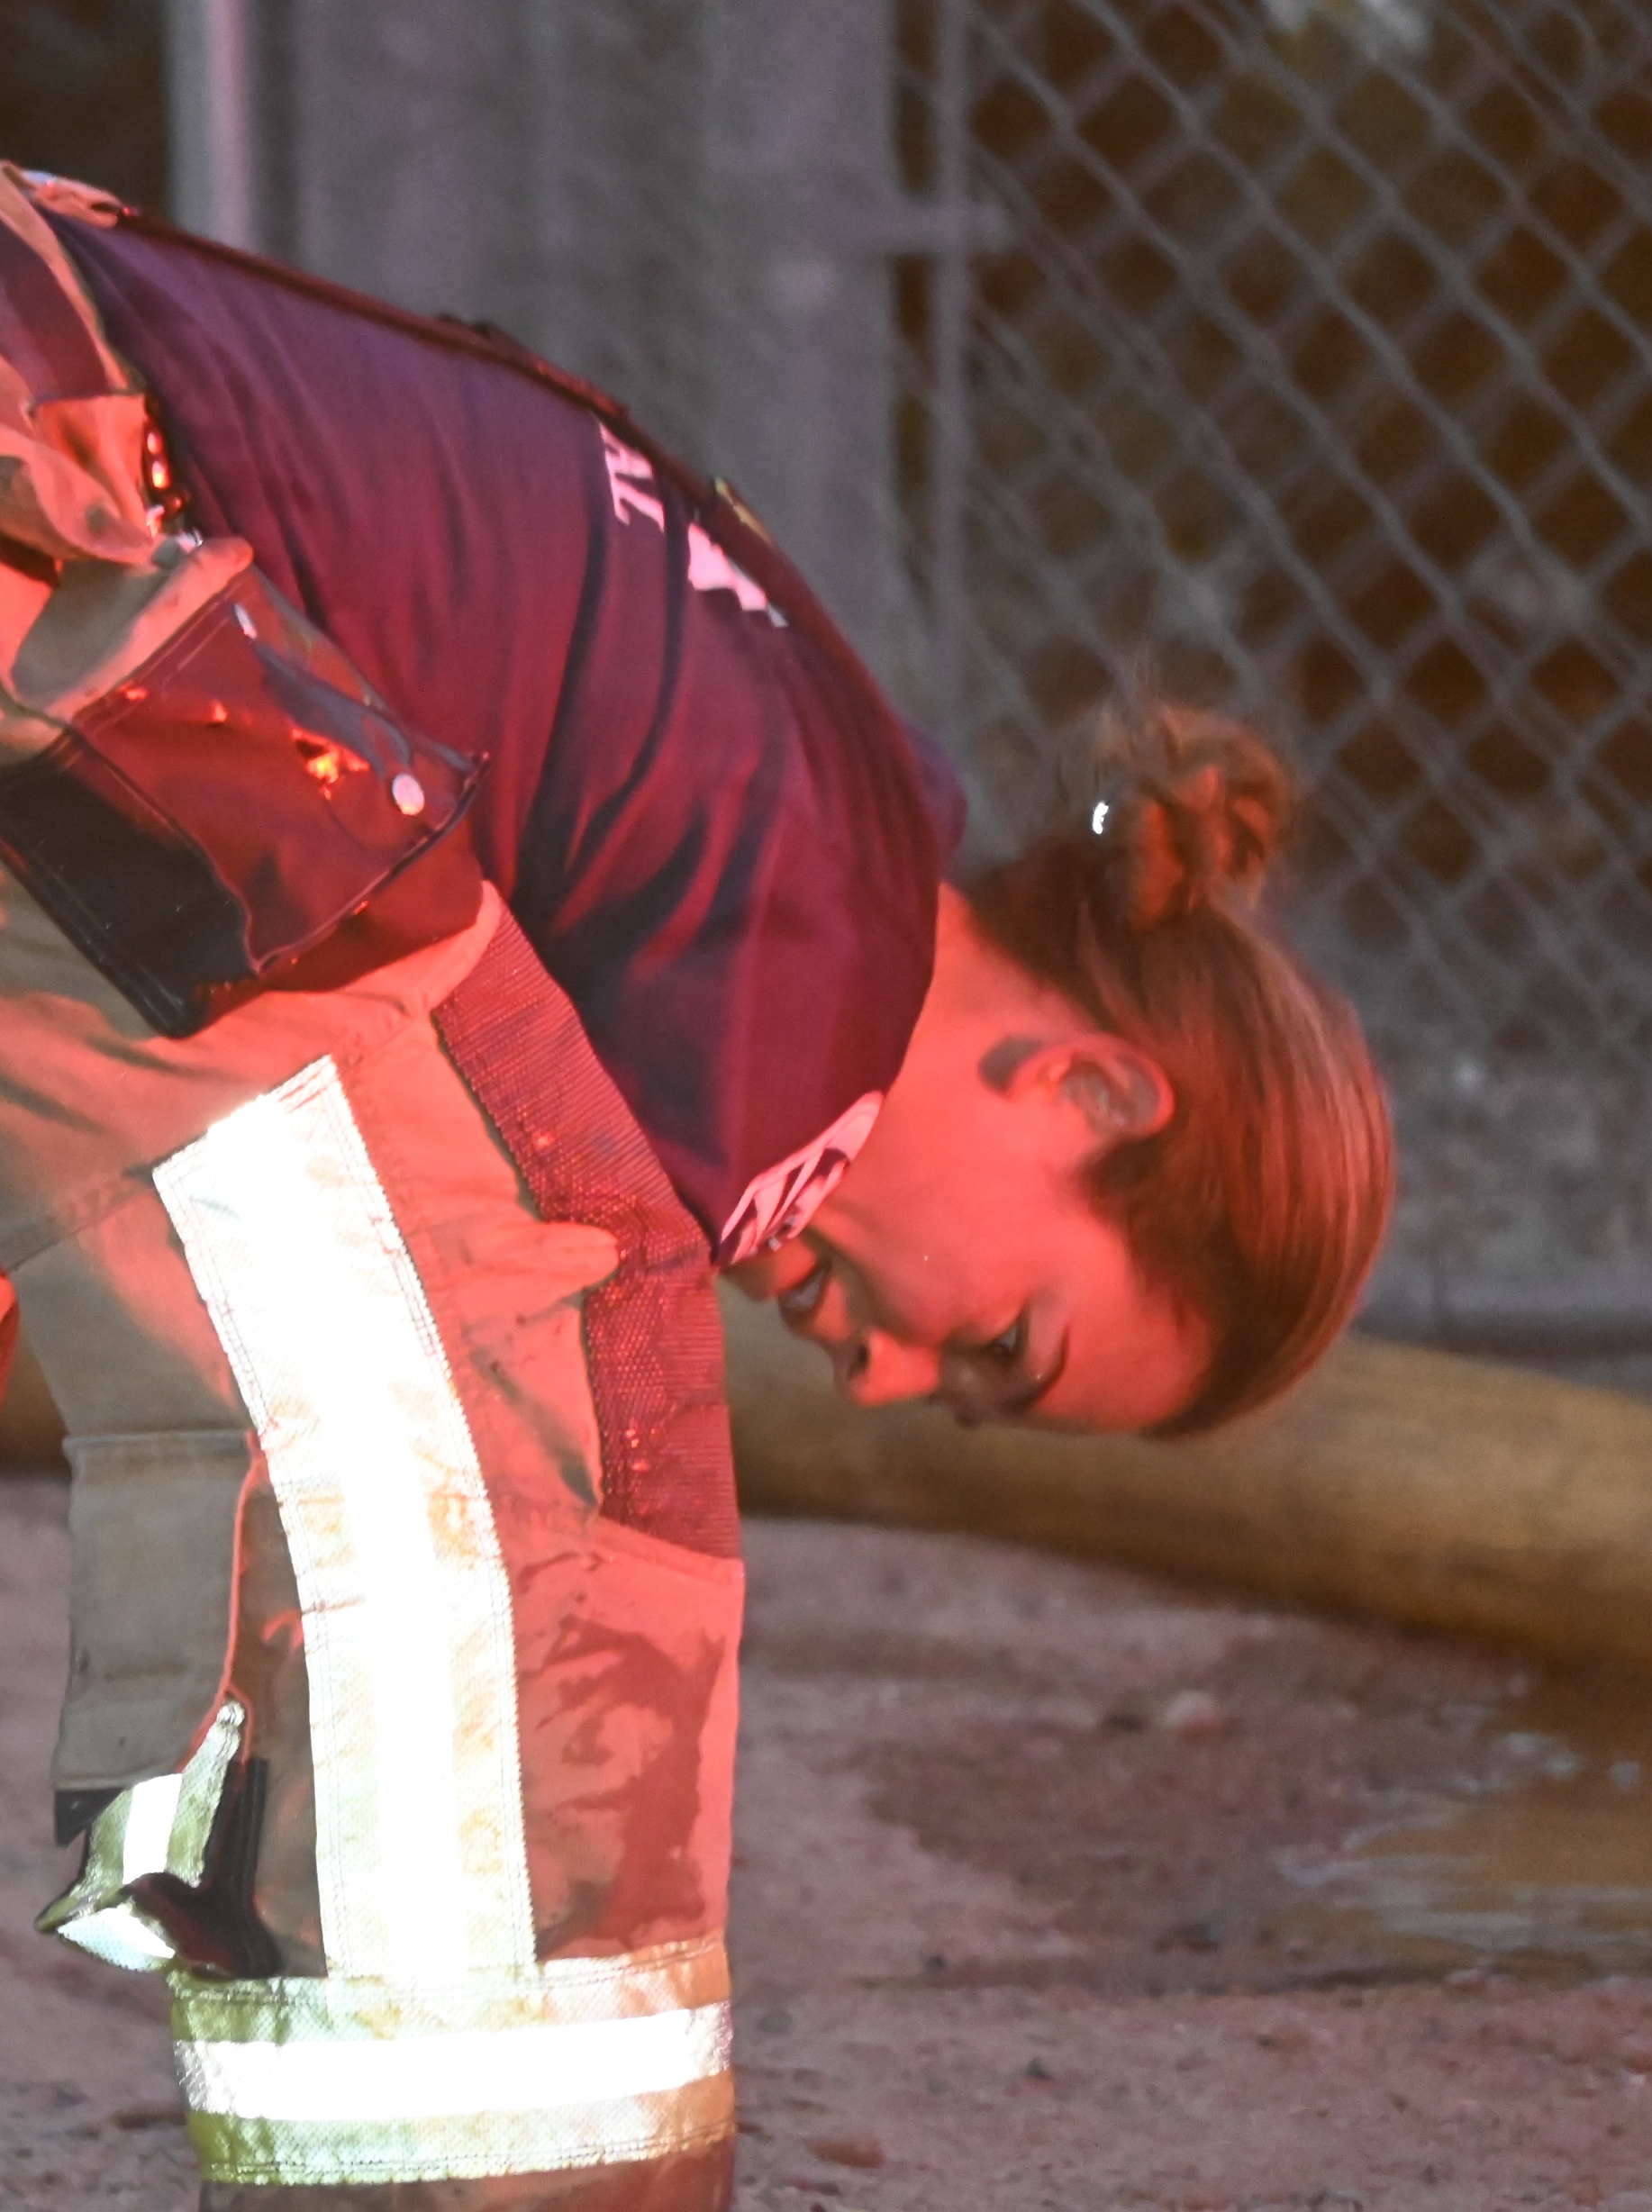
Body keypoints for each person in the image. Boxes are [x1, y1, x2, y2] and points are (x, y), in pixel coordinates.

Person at [0, 161, 1392, 2212]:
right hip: (70, 521)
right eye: (1002, 1347)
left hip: (68, 458)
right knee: (542, 1437)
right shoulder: (809, 990)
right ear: (1088, 1086)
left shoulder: (848, 804)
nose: (889, 1380)